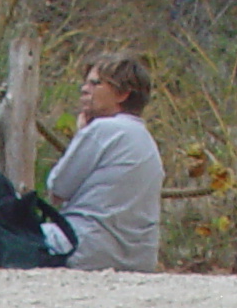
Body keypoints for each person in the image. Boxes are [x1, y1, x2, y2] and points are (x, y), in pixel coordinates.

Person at [47, 52, 165, 272]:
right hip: (139, 259)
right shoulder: (146, 139)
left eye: (95, 84)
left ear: (121, 94)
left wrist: (82, 134)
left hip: (85, 248)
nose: (84, 89)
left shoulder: (103, 129)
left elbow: (57, 189)